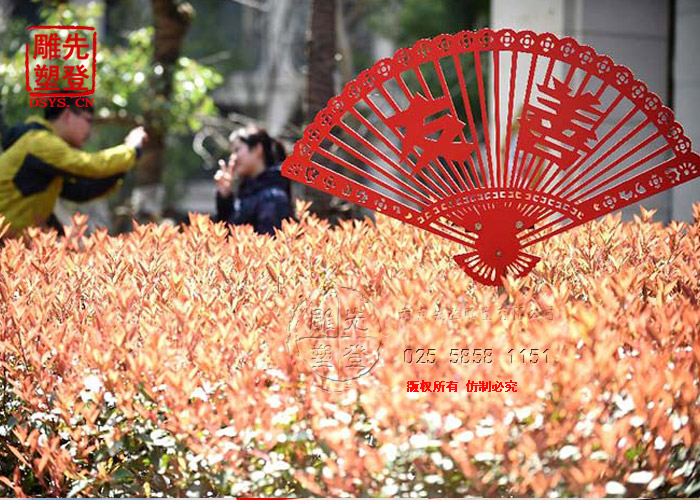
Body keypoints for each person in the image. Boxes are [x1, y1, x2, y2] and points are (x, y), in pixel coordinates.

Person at [0, 93, 147, 237]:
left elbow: (81, 191)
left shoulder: (44, 150)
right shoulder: (40, 141)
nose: (89, 131)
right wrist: (131, 149)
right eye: (88, 120)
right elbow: (90, 164)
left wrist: (123, 166)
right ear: (68, 115)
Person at [214, 126, 294, 236]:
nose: (233, 158)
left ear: (257, 149)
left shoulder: (273, 197)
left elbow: (269, 242)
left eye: (237, 150)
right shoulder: (249, 193)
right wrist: (225, 199)